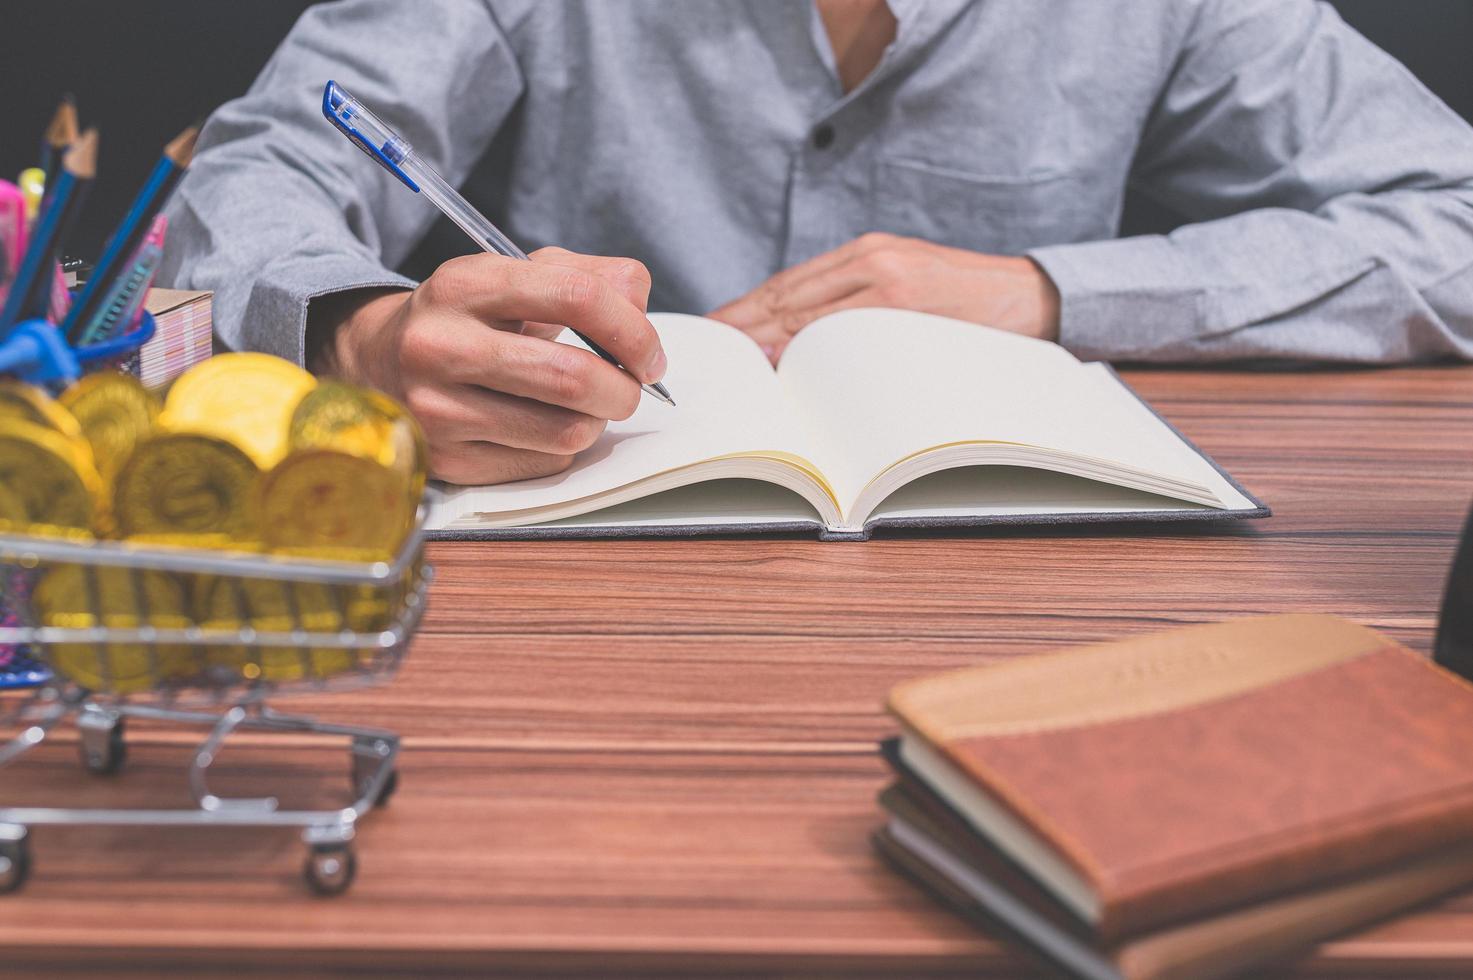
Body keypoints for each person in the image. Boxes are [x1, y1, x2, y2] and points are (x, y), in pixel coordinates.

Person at [162, 0, 1473, 486]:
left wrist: (1046, 291)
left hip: (1030, 606)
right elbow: (240, 195)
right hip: (564, 586)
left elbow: (1454, 230)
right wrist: (355, 333)